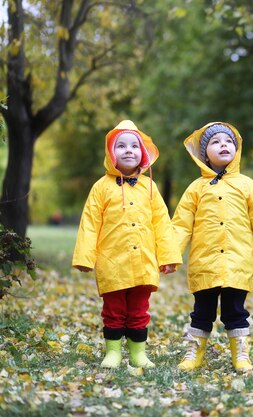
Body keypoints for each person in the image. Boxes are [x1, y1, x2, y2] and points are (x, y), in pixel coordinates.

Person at [173, 122, 253, 373]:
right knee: (202, 311)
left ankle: (241, 353)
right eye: (215, 142)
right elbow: (181, 224)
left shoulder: (247, 185)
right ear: (205, 154)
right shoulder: (196, 188)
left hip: (237, 262)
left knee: (235, 311)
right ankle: (195, 352)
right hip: (204, 262)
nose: (223, 145)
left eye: (228, 141)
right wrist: (171, 255)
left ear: (236, 149)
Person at [72, 120, 182, 369]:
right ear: (111, 155)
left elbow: (162, 223)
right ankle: (113, 352)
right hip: (112, 261)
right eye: (121, 146)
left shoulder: (150, 187)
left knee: (139, 310)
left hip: (144, 261)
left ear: (143, 153)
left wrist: (168, 256)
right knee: (113, 309)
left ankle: (138, 353)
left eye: (134, 146)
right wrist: (84, 258)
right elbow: (90, 223)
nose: (129, 150)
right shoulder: (101, 188)